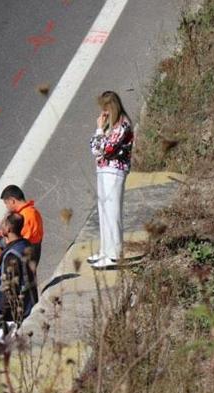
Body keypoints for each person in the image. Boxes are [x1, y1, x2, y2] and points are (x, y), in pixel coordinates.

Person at [87, 90, 133, 269]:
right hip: (103, 170)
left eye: (105, 109)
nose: (103, 113)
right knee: (104, 211)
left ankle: (114, 254)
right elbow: (93, 146)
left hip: (114, 171)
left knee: (112, 212)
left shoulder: (123, 126)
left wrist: (99, 130)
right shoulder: (109, 126)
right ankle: (105, 250)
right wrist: (100, 129)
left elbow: (105, 149)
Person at [0, 185, 43, 302]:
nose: (6, 207)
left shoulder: (26, 216)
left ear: (12, 201)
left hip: (21, 263)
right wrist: (2, 233)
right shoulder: (30, 212)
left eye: (6, 203)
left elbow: (17, 243)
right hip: (27, 257)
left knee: (21, 294)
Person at [0, 213, 36, 323]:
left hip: (10, 316)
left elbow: (9, 290)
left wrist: (0, 315)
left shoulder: (11, 257)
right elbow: (8, 244)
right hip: (27, 305)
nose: (0, 227)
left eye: (3, 225)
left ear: (7, 229)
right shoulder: (25, 245)